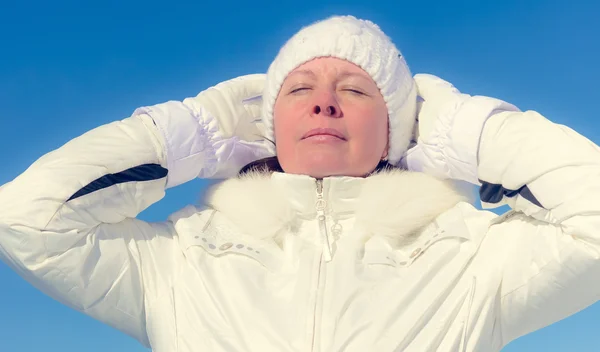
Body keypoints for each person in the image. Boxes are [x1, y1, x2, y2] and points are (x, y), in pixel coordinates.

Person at [0, 14, 599, 352]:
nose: (325, 105)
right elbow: (26, 219)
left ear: (398, 128)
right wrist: (184, 133)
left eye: (357, 90)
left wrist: (472, 131)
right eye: (299, 89)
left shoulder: (467, 257)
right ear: (267, 124)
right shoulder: (182, 258)